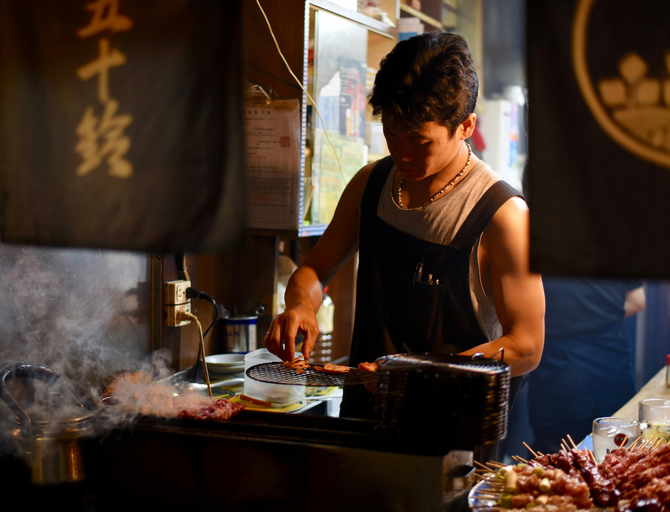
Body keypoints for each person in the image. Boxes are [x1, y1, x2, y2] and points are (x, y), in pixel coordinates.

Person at [263, 31, 545, 419]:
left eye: (420, 140)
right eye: (392, 134)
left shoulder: (503, 215)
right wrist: (300, 306)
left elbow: (527, 346)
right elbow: (314, 269)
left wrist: (421, 374)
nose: (402, 153)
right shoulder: (372, 183)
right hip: (365, 416)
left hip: (453, 430)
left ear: (465, 126)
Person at [504, 277, 645, 457]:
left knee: (559, 467)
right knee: (618, 459)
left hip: (560, 375)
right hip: (612, 365)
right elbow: (637, 301)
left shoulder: (538, 249)